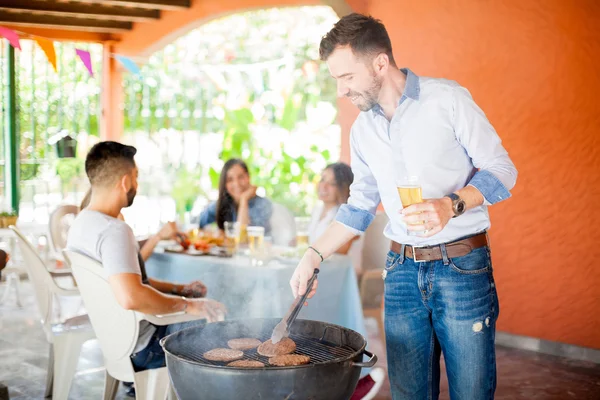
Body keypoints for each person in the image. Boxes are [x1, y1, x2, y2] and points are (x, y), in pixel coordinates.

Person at [290, 13, 517, 400]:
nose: (342, 91)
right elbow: (360, 206)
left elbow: (502, 170)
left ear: (380, 62)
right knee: (409, 394)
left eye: (347, 77)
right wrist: (313, 254)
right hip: (399, 273)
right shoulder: (362, 130)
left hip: (461, 267)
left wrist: (451, 205)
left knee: (472, 393)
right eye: (336, 80)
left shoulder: (447, 99)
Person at [67, 141, 226, 375]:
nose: (137, 185)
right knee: (221, 322)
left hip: (115, 340)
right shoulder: (114, 231)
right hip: (146, 349)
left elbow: (126, 282)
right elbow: (132, 296)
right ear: (125, 182)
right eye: (136, 177)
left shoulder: (80, 224)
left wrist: (180, 289)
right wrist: (189, 304)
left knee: (206, 309)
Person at [80, 188, 181, 262]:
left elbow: (131, 251)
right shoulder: (112, 228)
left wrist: (158, 237)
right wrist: (157, 237)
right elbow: (134, 264)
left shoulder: (86, 236)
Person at [308, 162, 363, 274]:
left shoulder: (351, 215)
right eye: (322, 180)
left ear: (344, 187)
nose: (323, 186)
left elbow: (341, 250)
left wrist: (310, 252)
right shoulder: (317, 210)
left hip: (339, 271)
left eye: (332, 183)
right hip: (318, 266)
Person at [198, 158, 272, 234]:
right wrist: (215, 231)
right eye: (230, 180)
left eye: (241, 177)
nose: (236, 184)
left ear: (248, 177)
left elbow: (243, 237)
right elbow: (198, 224)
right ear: (225, 185)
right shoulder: (221, 204)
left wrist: (244, 200)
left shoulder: (263, 205)